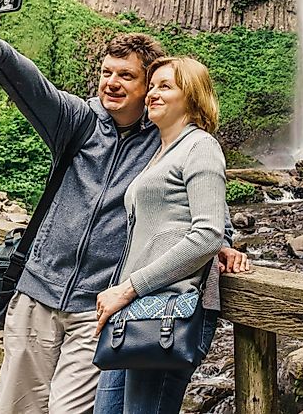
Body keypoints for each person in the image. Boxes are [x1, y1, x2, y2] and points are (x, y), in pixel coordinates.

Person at [0, 0, 250, 414]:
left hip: (100, 304)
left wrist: (222, 238)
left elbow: (199, 192)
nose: (112, 84)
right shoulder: (78, 121)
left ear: (149, 84)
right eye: (106, 73)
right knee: (13, 408)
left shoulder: (165, 140)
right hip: (38, 290)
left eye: (126, 76)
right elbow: (32, 87)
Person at [93, 56, 227, 414]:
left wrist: (128, 287)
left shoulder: (201, 146)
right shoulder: (162, 152)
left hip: (166, 312)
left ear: (193, 96)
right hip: (131, 311)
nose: (152, 93)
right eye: (151, 86)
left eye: (165, 86)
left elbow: (208, 232)